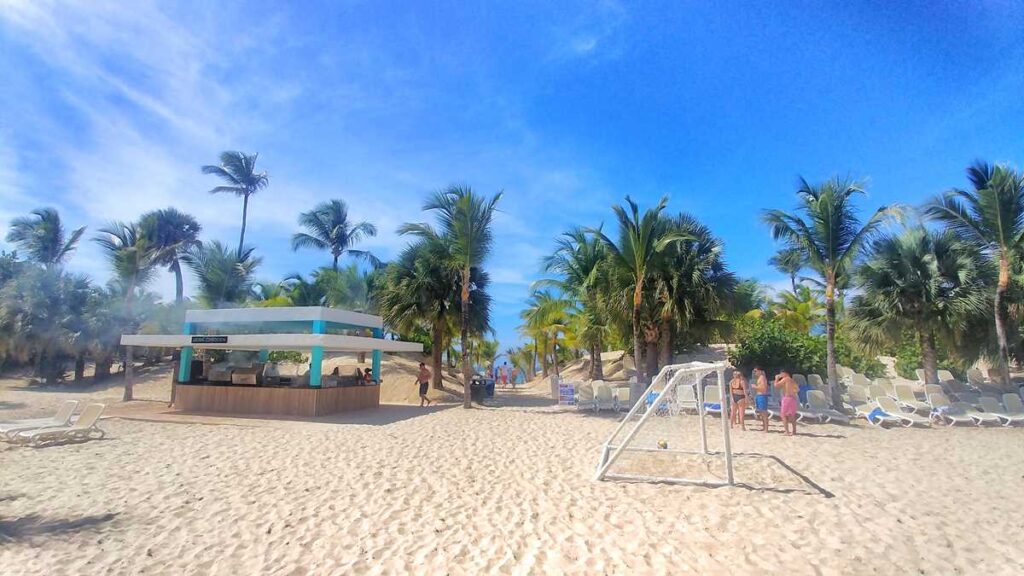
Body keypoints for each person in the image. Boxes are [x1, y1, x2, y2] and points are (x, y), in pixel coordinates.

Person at [774, 369, 799, 436]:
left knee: (783, 415)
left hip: (787, 398)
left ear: (786, 373)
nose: (781, 375)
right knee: (792, 415)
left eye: (782, 373)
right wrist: (792, 392)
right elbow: (797, 389)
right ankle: (794, 431)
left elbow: (776, 386)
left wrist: (776, 379)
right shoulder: (792, 380)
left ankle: (786, 431)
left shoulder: (786, 379)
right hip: (793, 398)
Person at [752, 366, 770, 433]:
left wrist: (755, 387)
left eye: (755, 371)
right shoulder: (759, 378)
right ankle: (764, 427)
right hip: (759, 395)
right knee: (761, 413)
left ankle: (766, 429)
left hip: (762, 395)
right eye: (754, 371)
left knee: (764, 413)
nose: (754, 372)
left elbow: (763, 388)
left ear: (760, 371)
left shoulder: (762, 378)